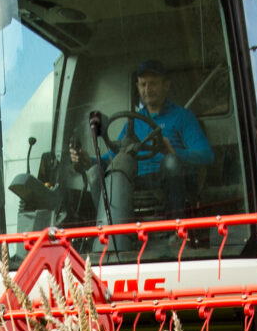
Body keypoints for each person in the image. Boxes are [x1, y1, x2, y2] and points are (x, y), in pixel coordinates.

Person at [71, 59, 213, 225]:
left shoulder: (183, 117)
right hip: (135, 181)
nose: (147, 89)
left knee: (171, 162)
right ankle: (111, 234)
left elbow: (207, 155)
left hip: (168, 180)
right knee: (96, 172)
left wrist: (173, 152)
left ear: (166, 86)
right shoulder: (133, 122)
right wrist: (90, 160)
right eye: (143, 84)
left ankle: (175, 230)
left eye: (153, 84)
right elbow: (115, 157)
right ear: (138, 87)